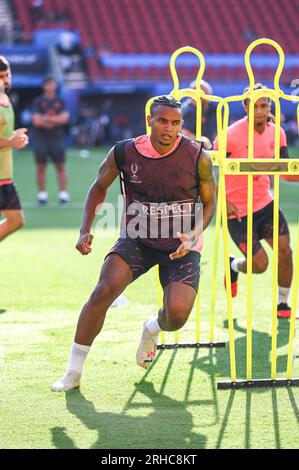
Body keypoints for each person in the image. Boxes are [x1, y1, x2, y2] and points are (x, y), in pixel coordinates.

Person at [51, 95, 216, 392]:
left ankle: (151, 328)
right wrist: (84, 229)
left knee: (177, 315)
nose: (169, 129)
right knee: (104, 289)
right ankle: (73, 372)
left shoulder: (197, 156)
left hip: (180, 244)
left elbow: (209, 203)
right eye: (163, 121)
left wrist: (193, 234)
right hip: (137, 239)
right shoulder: (125, 152)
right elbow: (99, 187)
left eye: (176, 123)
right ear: (149, 120)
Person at [214, 83, 299, 319]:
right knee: (260, 265)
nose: (261, 111)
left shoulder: (278, 132)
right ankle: (234, 266)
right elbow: (210, 171)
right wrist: (223, 199)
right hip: (237, 212)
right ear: (245, 106)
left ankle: (283, 303)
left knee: (286, 251)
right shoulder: (228, 135)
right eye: (256, 106)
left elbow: (285, 171)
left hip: (265, 204)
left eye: (265, 105)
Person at [0, 56, 28, 242]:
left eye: (7, 74)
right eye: (0, 76)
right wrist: (10, 142)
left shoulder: (6, 99)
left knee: (16, 220)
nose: (5, 79)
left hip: (4, 176)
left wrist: (13, 137)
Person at [32, 76, 70, 204]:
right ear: (44, 86)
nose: (51, 86)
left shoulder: (61, 101)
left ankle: (63, 194)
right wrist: (55, 120)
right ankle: (42, 194)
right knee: (41, 167)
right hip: (41, 139)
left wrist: (47, 120)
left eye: (53, 84)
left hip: (56, 139)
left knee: (60, 166)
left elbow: (64, 119)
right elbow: (36, 121)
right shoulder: (38, 101)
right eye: (48, 84)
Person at [182, 79, 217, 149]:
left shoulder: (209, 108)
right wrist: (202, 141)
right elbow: (185, 133)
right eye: (205, 96)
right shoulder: (190, 111)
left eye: (208, 95)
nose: (208, 99)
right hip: (196, 151)